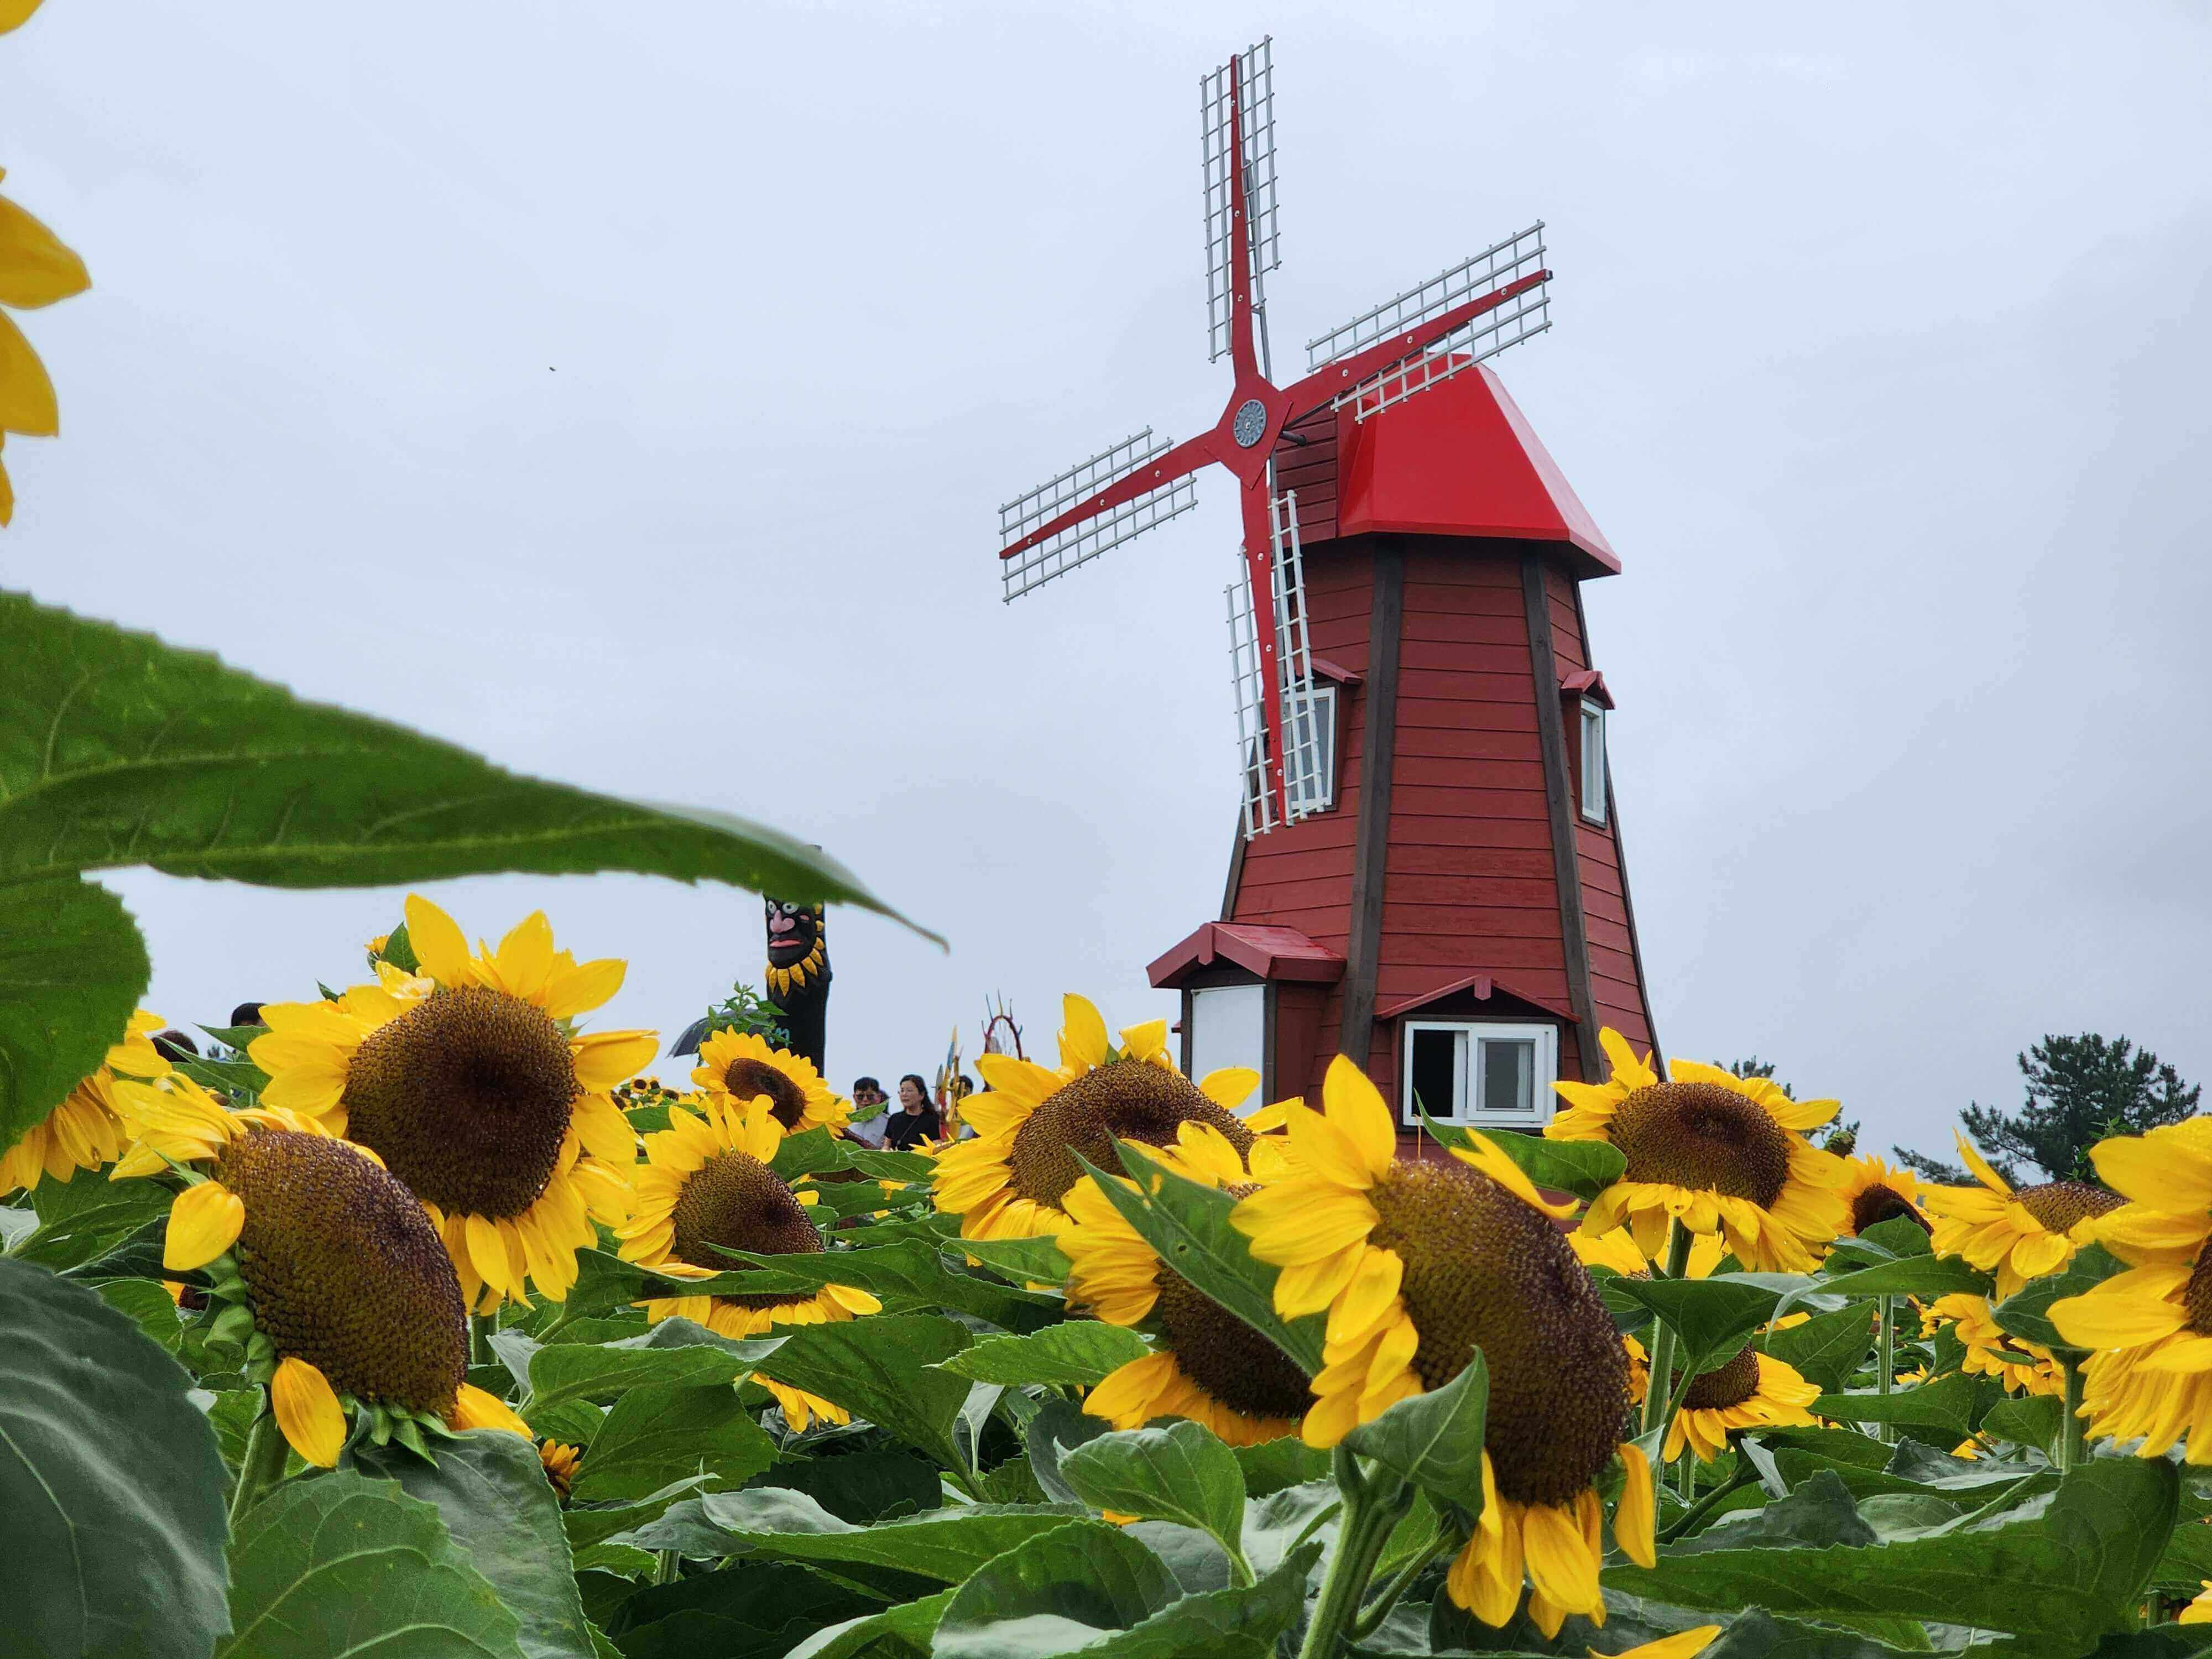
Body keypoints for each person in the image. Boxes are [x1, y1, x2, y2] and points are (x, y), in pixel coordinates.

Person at [883, 1073, 941, 1151]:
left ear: (922, 1095)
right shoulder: (894, 1118)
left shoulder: (932, 1119)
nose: (904, 1094)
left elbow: (937, 1145)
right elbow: (887, 1145)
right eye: (902, 1090)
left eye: (909, 1091)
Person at [844, 1076, 890, 1147]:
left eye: (870, 1096)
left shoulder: (890, 1122)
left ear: (879, 1097)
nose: (865, 1100)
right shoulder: (845, 1122)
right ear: (854, 1097)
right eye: (860, 1096)